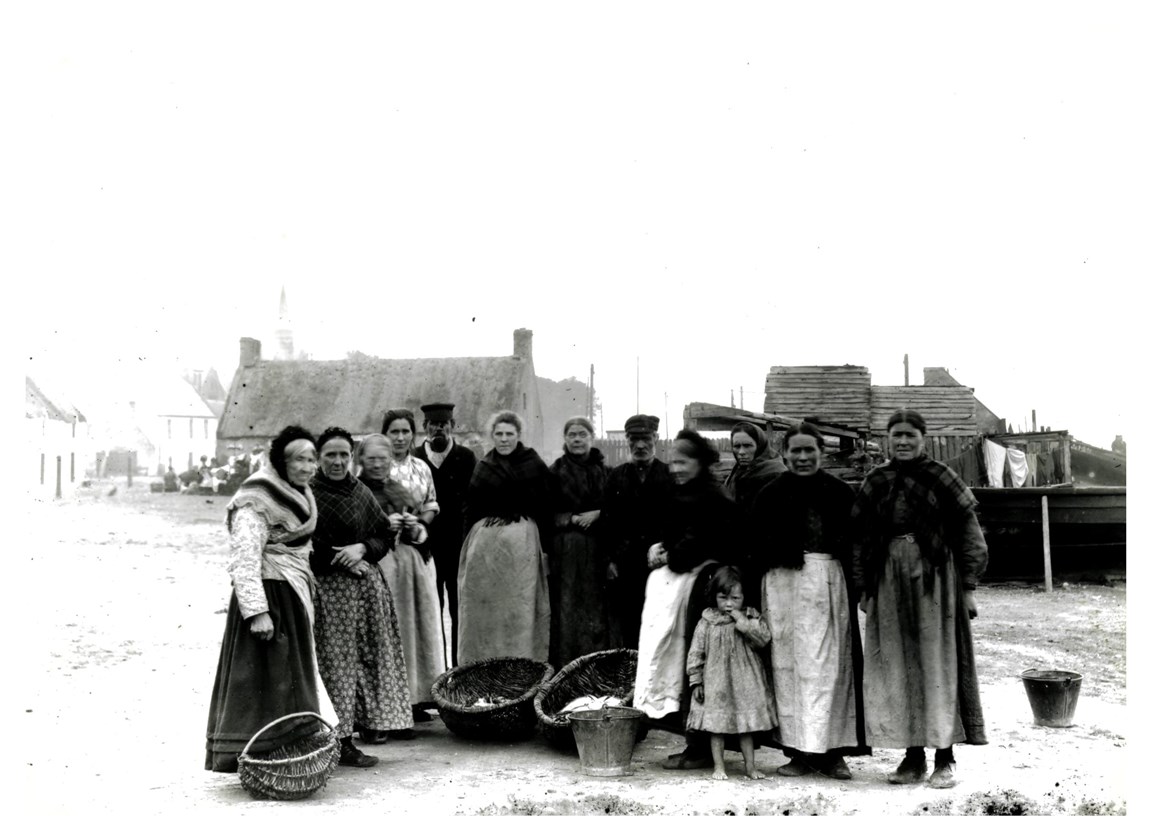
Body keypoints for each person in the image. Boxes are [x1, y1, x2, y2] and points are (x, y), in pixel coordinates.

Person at [851, 409, 988, 789]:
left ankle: (945, 757)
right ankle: (912, 756)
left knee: (937, 664)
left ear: (922, 439)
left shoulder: (942, 477)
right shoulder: (876, 480)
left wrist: (969, 587)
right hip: (888, 579)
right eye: (896, 435)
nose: (903, 441)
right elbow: (861, 539)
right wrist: (864, 588)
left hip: (936, 577)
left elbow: (968, 535)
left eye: (910, 435)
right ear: (887, 440)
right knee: (896, 665)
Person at [204, 425, 335, 772]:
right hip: (269, 595)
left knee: (291, 676)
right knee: (265, 678)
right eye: (299, 460)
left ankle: (293, 753)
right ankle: (260, 756)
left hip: (291, 592)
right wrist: (257, 612)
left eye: (312, 459)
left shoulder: (301, 492)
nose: (308, 467)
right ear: (281, 461)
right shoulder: (257, 495)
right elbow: (244, 555)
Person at [749, 421, 868, 780]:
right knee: (789, 669)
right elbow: (753, 546)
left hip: (827, 583)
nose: (802, 457)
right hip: (782, 586)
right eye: (796, 451)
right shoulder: (769, 493)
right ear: (784, 453)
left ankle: (834, 753)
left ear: (822, 453)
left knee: (830, 668)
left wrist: (858, 586)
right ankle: (798, 752)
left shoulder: (840, 492)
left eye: (809, 450)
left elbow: (857, 543)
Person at [633, 429, 741, 771]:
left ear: (700, 462)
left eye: (684, 461)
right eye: (674, 461)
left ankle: (702, 748)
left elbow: (694, 544)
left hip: (704, 587)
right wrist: (660, 546)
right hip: (686, 584)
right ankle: (695, 743)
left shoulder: (710, 496)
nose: (676, 468)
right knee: (684, 662)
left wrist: (668, 555)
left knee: (698, 665)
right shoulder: (684, 493)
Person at [310, 426, 412, 768]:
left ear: (351, 457)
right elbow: (303, 546)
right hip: (329, 593)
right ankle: (339, 741)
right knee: (335, 665)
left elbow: (384, 534)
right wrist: (339, 559)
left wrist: (362, 547)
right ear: (319, 458)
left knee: (366, 660)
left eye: (343, 455)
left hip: (367, 593)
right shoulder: (308, 494)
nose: (337, 461)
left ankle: (368, 726)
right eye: (330, 455)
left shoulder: (360, 492)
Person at [457, 411, 552, 665]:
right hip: (486, 553)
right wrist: (466, 545)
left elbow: (545, 507)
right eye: (498, 434)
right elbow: (471, 506)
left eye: (509, 434)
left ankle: (522, 666)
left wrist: (546, 550)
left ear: (518, 436)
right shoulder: (484, 466)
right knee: (487, 612)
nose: (504, 439)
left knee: (518, 610)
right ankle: (484, 666)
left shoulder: (533, 463)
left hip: (522, 549)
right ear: (492, 436)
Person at [371, 411, 447, 729]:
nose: (400, 437)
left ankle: (418, 697)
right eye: (394, 431)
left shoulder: (421, 467)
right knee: (396, 623)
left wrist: (420, 521)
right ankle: (393, 697)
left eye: (405, 431)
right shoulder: (374, 469)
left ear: (413, 434)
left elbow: (431, 503)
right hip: (387, 554)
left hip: (416, 552)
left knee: (421, 622)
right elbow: (366, 508)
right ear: (384, 434)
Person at [685, 566, 776, 781]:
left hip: (745, 682)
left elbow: (763, 638)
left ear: (743, 597)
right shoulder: (707, 621)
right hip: (717, 682)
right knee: (717, 727)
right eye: (723, 597)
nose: (728, 603)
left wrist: (741, 621)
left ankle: (750, 767)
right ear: (714, 596)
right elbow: (696, 653)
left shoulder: (750, 617)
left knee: (746, 727)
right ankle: (719, 767)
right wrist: (696, 680)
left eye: (735, 598)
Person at [599, 414, 676, 649]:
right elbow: (607, 522)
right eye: (634, 439)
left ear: (656, 438)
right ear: (627, 440)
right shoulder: (616, 476)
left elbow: (678, 520)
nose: (640, 445)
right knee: (629, 623)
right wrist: (608, 560)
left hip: (660, 562)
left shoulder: (670, 475)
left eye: (646, 439)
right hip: (626, 564)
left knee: (661, 622)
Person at [412, 402, 477, 666]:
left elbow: (473, 501)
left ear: (453, 426)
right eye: (433, 425)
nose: (439, 430)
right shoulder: (415, 458)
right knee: (430, 609)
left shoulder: (466, 457)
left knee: (459, 609)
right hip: (426, 547)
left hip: (458, 545)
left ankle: (459, 668)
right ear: (425, 428)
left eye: (444, 425)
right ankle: (437, 668)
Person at [547, 416, 610, 667]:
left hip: (598, 550)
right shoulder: (555, 471)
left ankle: (596, 667)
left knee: (596, 610)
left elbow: (616, 506)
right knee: (567, 610)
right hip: (567, 553)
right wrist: (570, 518)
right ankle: (567, 667)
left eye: (582, 434)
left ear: (591, 438)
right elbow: (546, 512)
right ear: (565, 439)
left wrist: (599, 514)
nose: (577, 439)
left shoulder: (605, 471)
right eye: (572, 434)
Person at [723, 422, 786, 516]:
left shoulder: (776, 474)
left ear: (760, 446)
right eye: (737, 446)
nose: (741, 452)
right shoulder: (736, 473)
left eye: (747, 446)